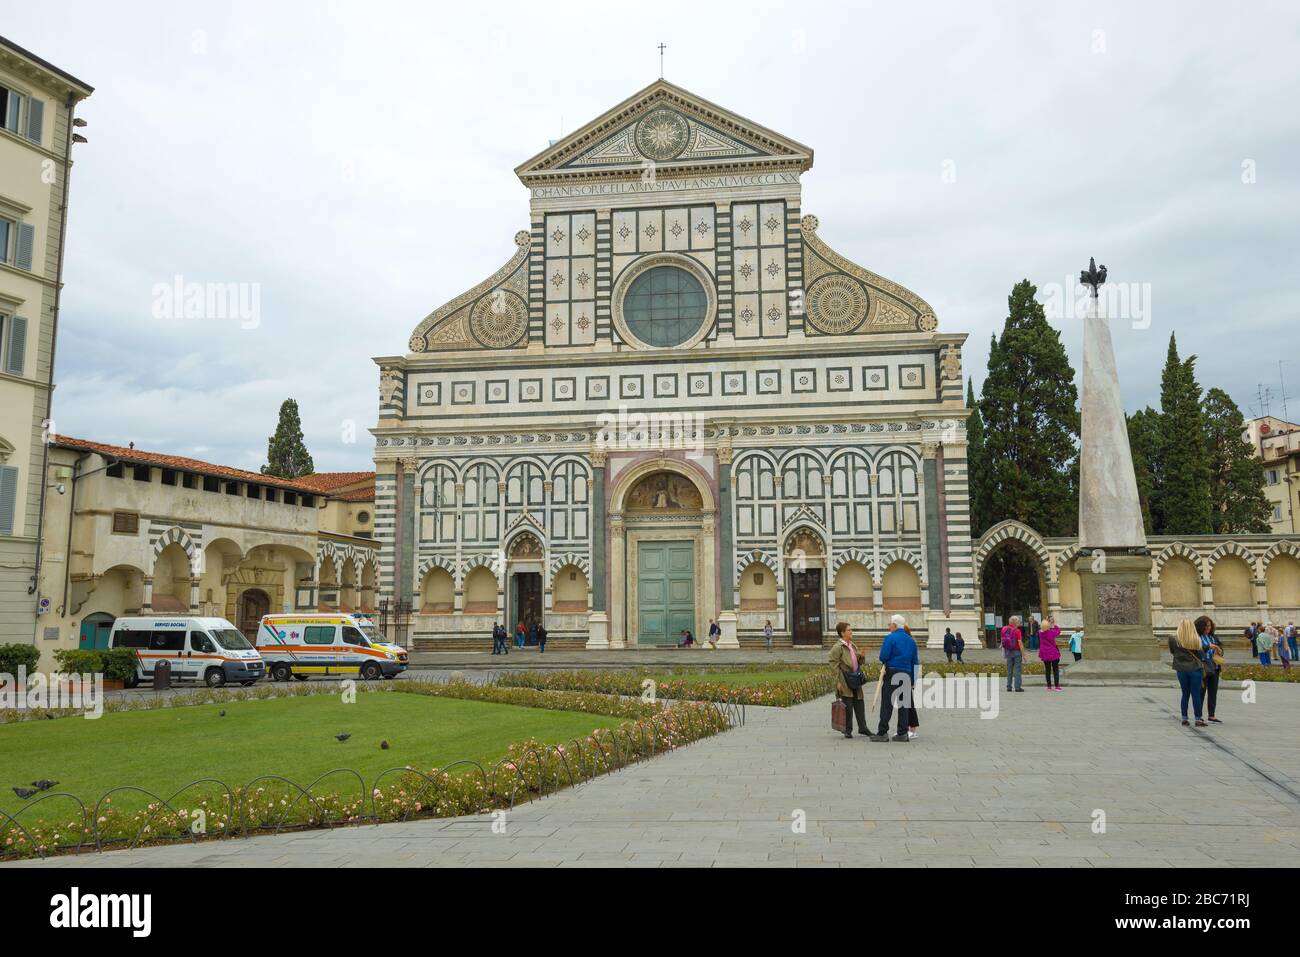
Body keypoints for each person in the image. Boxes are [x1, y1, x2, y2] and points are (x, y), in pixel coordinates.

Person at [872, 614, 919, 743]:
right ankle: (902, 733)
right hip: (907, 674)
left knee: (887, 703)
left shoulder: (890, 638)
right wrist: (914, 680)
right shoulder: (911, 640)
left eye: (889, 624)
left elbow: (883, 656)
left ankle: (882, 733)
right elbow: (915, 662)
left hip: (892, 672)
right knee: (904, 705)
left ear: (894, 625)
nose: (889, 626)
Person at [829, 622, 870, 739]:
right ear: (842, 633)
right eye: (849, 630)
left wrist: (861, 656)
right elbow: (833, 664)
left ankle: (863, 727)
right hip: (845, 678)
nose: (851, 632)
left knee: (859, 702)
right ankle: (848, 729)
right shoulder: (838, 647)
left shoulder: (852, 645)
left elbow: (858, 661)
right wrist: (837, 681)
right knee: (847, 704)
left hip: (855, 678)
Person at [1169, 618, 1207, 727]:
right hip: (1195, 669)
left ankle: (1184, 718)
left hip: (1181, 669)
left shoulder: (1173, 639)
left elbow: (1173, 652)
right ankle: (1198, 718)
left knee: (1185, 694)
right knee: (1196, 694)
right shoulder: (1196, 639)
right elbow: (1201, 656)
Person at [1195, 615, 1223, 724]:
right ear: (1200, 627)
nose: (1208, 628)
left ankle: (1212, 715)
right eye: (1206, 626)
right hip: (1203, 667)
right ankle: (1199, 714)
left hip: (1215, 667)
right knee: (1201, 691)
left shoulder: (1213, 637)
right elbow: (1197, 650)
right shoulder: (1197, 638)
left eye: (1210, 626)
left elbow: (1220, 648)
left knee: (1213, 691)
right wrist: (1208, 647)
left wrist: (1220, 651)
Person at [1038, 615, 1063, 690]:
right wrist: (1053, 625)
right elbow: (1058, 631)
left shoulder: (1040, 633)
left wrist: (1046, 622)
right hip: (1052, 652)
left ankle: (1049, 686)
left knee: (1047, 670)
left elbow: (1042, 628)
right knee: (1055, 670)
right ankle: (1057, 686)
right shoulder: (1051, 632)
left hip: (1044, 653)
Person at [1001, 615, 1025, 693]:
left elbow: (1002, 641)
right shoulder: (1017, 631)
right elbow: (1020, 643)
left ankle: (1009, 687)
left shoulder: (1004, 629)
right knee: (1017, 670)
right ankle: (1017, 687)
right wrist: (1024, 654)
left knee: (1009, 670)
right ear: (1015, 622)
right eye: (1018, 621)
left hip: (1008, 651)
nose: (1019, 623)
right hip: (1017, 652)